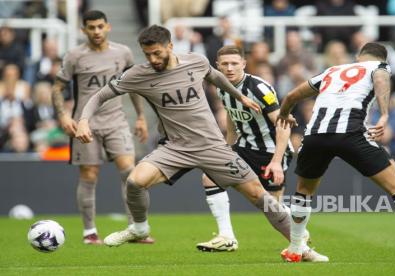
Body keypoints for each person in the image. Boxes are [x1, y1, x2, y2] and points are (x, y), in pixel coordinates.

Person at [74, 25, 325, 262]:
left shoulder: (196, 61)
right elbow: (101, 95)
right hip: (175, 148)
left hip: (212, 147)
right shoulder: (138, 74)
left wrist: (240, 97)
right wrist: (84, 119)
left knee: (261, 197)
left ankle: (301, 248)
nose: (152, 59)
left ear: (170, 46)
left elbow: (214, 76)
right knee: (134, 181)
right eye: (147, 54)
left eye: (157, 53)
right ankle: (139, 228)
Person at [277, 42, 395, 262]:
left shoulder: (332, 70)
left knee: (304, 190)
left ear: (358, 56)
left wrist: (285, 113)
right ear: (383, 60)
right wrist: (383, 115)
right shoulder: (379, 67)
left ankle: (296, 249)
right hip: (350, 133)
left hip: (315, 134)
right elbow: (381, 79)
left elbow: (290, 96)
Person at [52, 10, 152, 245]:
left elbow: (132, 85)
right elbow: (57, 87)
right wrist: (63, 116)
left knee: (130, 172)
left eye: (100, 26)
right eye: (91, 27)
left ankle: (136, 229)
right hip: (85, 123)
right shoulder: (74, 56)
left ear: (108, 27)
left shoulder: (123, 52)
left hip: (116, 120)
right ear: (83, 30)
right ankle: (89, 233)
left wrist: (140, 116)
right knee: (89, 174)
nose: (96, 31)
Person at [195, 45, 294, 253]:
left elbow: (282, 125)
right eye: (225, 64)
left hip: (271, 150)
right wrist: (229, 147)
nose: (230, 68)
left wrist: (276, 161)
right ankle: (226, 237)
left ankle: (299, 236)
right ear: (217, 66)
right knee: (210, 176)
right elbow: (232, 116)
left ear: (243, 64)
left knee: (272, 207)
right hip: (245, 146)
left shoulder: (259, 89)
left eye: (234, 63)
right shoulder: (221, 86)